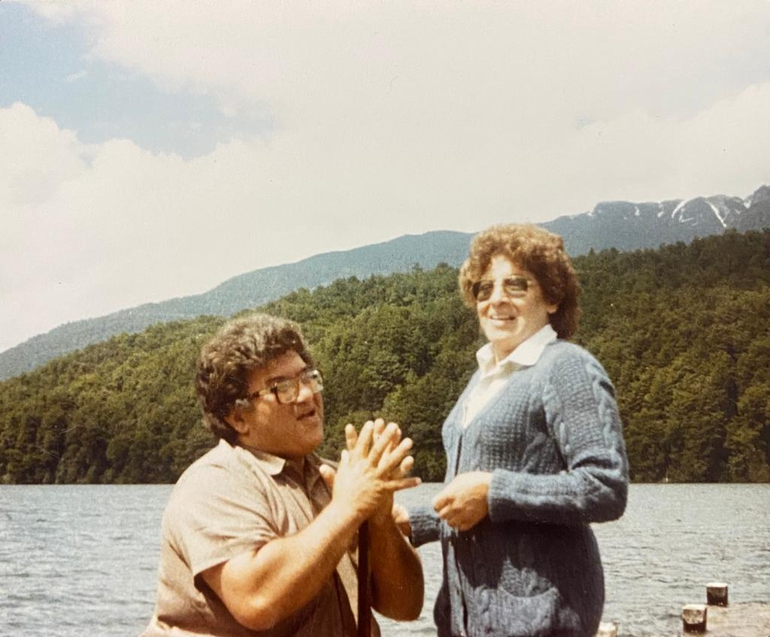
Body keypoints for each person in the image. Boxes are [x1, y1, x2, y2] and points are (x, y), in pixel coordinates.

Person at [402, 224, 629, 637]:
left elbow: (605, 486)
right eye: (484, 289)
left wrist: (494, 491)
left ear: (553, 297)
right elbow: (476, 504)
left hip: (538, 623)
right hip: (468, 623)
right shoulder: (484, 379)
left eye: (516, 285)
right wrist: (413, 522)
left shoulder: (566, 366)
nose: (496, 299)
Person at [142, 313, 424, 636]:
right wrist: (349, 508)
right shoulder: (212, 483)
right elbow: (257, 599)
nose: (306, 395)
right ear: (238, 418)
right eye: (283, 388)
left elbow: (405, 605)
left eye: (308, 378)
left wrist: (380, 519)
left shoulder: (335, 479)